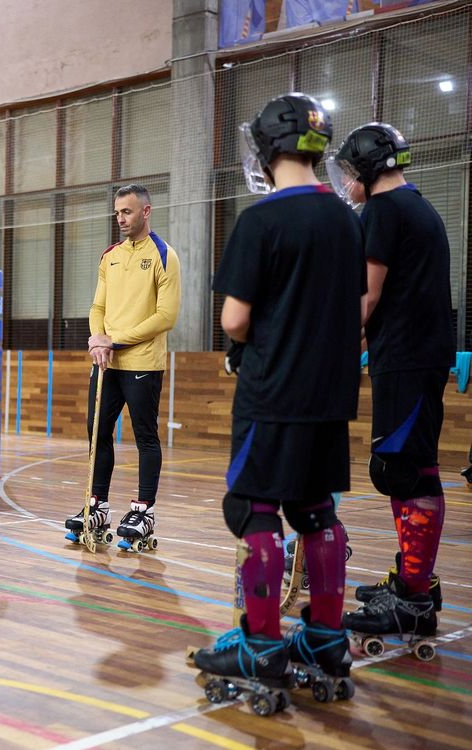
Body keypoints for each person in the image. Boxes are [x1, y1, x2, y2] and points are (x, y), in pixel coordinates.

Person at [190, 95, 364, 707]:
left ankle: (260, 644)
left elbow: (234, 319)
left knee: (254, 510)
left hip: (273, 392)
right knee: (317, 512)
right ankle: (325, 639)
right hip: (330, 394)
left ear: (267, 147)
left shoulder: (261, 221)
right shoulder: (348, 217)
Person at [328, 123, 452, 643]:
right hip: (415, 354)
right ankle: (412, 581)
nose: (348, 182)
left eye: (352, 172)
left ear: (371, 170)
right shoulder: (418, 207)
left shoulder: (383, 209)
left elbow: (370, 295)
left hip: (406, 358)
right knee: (412, 466)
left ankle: (414, 600)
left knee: (402, 471)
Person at [70, 184, 181, 550]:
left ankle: (144, 510)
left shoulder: (164, 256)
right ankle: (97, 504)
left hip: (142, 364)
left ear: (146, 212)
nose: (120, 218)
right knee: (97, 431)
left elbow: (165, 316)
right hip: (107, 362)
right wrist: (97, 338)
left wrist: (114, 340)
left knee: (145, 437)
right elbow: (97, 308)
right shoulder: (110, 256)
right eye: (117, 212)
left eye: (127, 212)